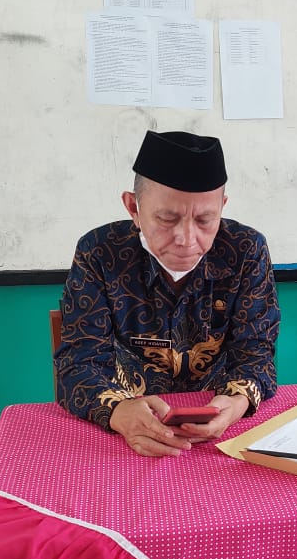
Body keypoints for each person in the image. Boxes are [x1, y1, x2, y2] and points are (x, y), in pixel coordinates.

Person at [56, 130, 280, 457]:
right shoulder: (100, 252)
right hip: (126, 422)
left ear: (222, 207)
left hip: (218, 426)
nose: (186, 239)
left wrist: (235, 403)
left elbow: (256, 354)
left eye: (205, 220)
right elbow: (78, 362)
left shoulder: (246, 250)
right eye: (166, 218)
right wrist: (119, 412)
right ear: (133, 207)